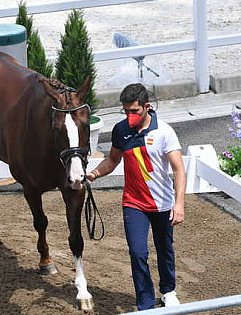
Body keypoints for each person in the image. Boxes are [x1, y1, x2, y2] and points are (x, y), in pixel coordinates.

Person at [87, 83, 186, 310]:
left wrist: (179, 204)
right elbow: (112, 160)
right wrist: (93, 174)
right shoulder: (121, 131)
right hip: (133, 203)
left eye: (134, 111)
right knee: (137, 252)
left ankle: (168, 290)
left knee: (165, 249)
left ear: (147, 107)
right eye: (126, 111)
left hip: (162, 202)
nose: (130, 116)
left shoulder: (165, 132)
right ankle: (145, 304)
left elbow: (179, 168)